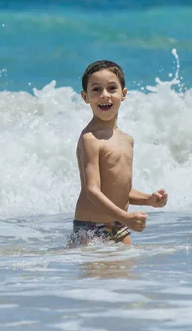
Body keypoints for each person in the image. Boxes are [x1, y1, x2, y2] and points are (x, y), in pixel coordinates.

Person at [68, 60, 168, 247]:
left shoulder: (127, 139)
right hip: (90, 228)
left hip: (120, 227)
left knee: (124, 274)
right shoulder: (90, 139)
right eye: (96, 89)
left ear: (123, 94)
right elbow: (92, 191)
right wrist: (126, 217)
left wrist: (148, 200)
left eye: (111, 88)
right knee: (94, 274)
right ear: (85, 97)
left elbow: (118, 189)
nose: (104, 95)